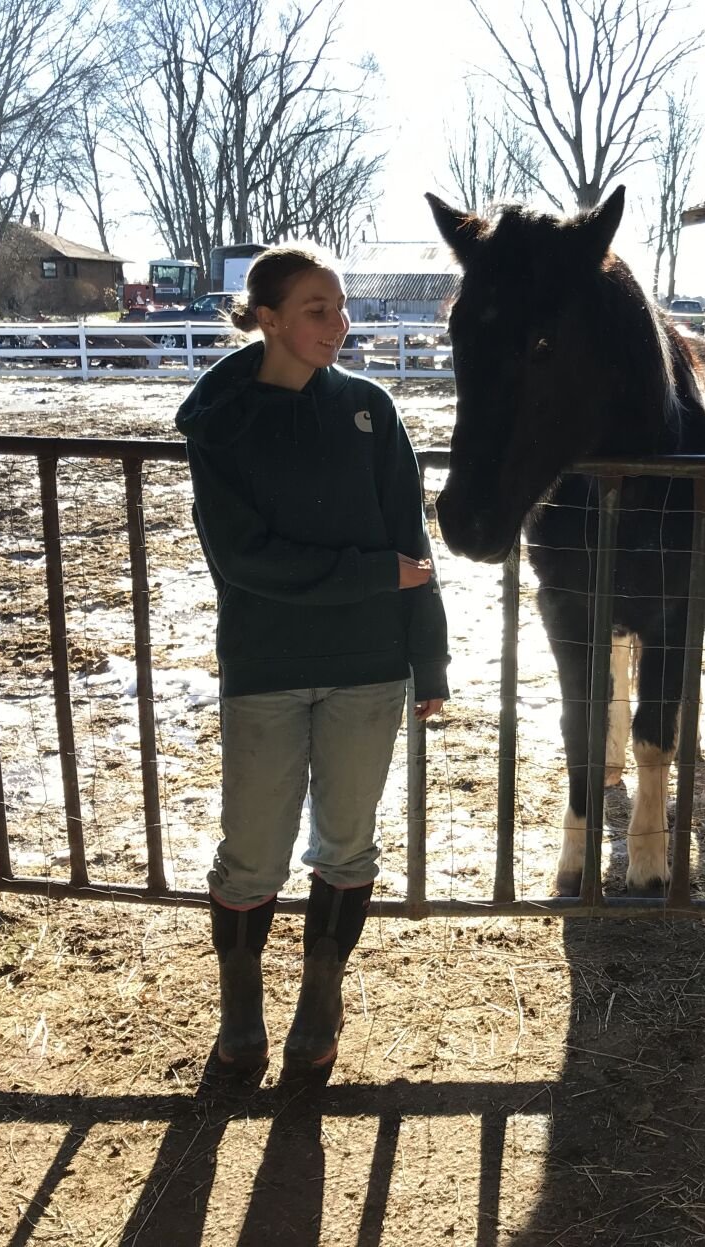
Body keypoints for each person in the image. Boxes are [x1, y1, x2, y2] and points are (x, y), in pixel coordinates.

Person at [174, 243, 449, 1085]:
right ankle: (241, 1007)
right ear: (267, 318)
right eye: (316, 310)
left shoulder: (370, 409)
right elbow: (246, 558)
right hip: (266, 663)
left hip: (370, 667)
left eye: (340, 307)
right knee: (253, 850)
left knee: (348, 843)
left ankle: (320, 1000)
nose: (339, 325)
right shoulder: (224, 424)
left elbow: (414, 541)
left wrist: (428, 660)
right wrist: (370, 577)